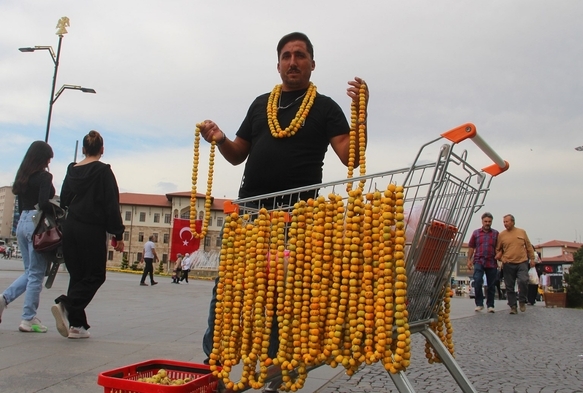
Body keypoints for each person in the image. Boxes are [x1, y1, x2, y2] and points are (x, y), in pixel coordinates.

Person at [198, 32, 369, 367]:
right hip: (249, 213)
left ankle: (276, 366)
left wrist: (361, 112)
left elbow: (351, 156)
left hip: (296, 217)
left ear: (312, 64)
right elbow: (237, 155)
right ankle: (214, 360)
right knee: (229, 287)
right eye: (287, 55)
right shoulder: (261, 104)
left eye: (300, 55)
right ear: (278, 64)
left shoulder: (325, 107)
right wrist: (219, 139)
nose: (293, 61)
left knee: (280, 292)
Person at [51, 130, 125, 339]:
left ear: (83, 149)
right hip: (91, 229)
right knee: (95, 275)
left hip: (71, 226)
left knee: (78, 275)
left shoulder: (72, 170)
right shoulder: (104, 172)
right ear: (102, 150)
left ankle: (77, 325)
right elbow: (111, 205)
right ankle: (66, 304)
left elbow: (64, 199)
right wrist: (118, 235)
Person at [0, 141, 55, 332]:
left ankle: (3, 299)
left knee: (30, 272)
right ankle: (28, 318)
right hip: (36, 222)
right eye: (48, 158)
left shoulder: (22, 177)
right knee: (36, 274)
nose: (49, 162)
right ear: (42, 158)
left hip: (22, 223)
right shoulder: (44, 177)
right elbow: (43, 203)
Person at [495, 214, 535, 314]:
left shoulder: (522, 232)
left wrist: (532, 259)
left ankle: (522, 300)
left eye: (507, 221)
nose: (505, 224)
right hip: (508, 263)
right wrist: (501, 258)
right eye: (504, 222)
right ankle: (513, 306)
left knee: (523, 280)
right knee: (509, 286)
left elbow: (529, 246)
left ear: (513, 222)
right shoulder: (502, 235)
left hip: (522, 262)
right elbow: (498, 249)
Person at [466, 212, 499, 313]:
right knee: (477, 281)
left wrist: (500, 256)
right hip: (479, 260)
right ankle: (479, 304)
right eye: (485, 221)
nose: (487, 223)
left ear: (491, 222)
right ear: (482, 221)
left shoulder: (496, 233)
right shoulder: (476, 233)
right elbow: (471, 246)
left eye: (489, 221)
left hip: (491, 261)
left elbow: (499, 247)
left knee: (491, 284)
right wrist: (469, 260)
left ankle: (490, 305)